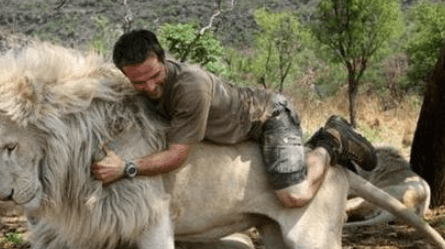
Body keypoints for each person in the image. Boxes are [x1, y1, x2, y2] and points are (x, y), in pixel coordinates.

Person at [92, 29, 377, 208]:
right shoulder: (136, 85)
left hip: (268, 117)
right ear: (126, 75)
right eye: (139, 83)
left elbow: (177, 155)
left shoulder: (190, 86)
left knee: (295, 196)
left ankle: (330, 140)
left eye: (155, 76)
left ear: (163, 59)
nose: (150, 87)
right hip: (234, 126)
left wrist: (126, 167)